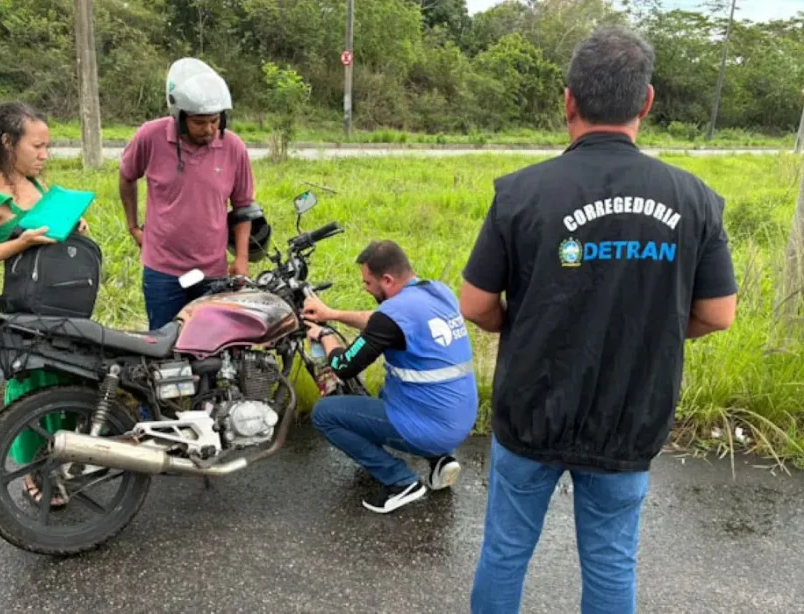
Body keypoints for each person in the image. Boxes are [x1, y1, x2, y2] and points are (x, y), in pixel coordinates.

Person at [460, 27, 738, 613]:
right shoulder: (695, 199)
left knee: (506, 552)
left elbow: (476, 304)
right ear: (646, 101)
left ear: (568, 101)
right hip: (630, 415)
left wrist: (524, 322)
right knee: (612, 563)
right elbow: (718, 314)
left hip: (531, 410)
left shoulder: (520, 193)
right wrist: (657, 326)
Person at [0, 101, 89, 507]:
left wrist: (72, 227)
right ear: (8, 143)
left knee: (67, 380)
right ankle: (31, 472)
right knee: (30, 387)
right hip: (25, 310)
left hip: (61, 305)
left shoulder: (39, 187)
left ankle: (60, 457)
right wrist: (20, 243)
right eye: (37, 146)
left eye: (48, 147)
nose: (45, 155)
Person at [303, 240, 479, 514]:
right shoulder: (438, 292)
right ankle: (439, 459)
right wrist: (332, 314)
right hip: (461, 418)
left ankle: (401, 481)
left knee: (325, 414)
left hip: (431, 427)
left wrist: (325, 335)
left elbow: (343, 365)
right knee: (388, 392)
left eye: (368, 282)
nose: (365, 288)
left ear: (387, 279)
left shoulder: (391, 316)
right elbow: (378, 320)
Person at [119, 57, 258, 333]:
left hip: (212, 270)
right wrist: (133, 226)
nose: (209, 130)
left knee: (209, 341)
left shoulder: (233, 147)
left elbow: (244, 207)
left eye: (215, 121)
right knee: (163, 340)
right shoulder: (150, 137)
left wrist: (241, 258)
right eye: (199, 122)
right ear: (180, 117)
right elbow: (127, 176)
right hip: (163, 269)